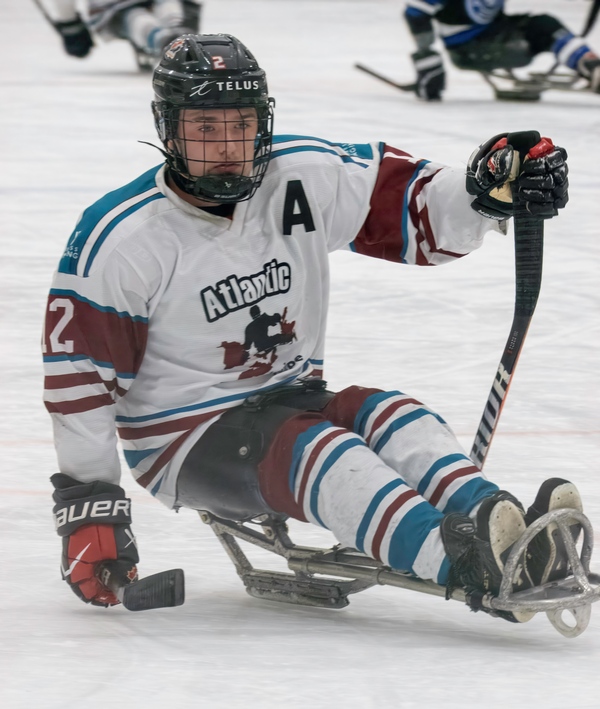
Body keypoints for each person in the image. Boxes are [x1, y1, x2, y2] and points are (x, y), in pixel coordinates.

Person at [43, 33, 582, 622]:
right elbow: (80, 385)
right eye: (205, 128)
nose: (226, 146)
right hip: (184, 438)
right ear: (168, 129)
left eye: (241, 125)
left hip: (290, 398)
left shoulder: (300, 173)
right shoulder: (122, 237)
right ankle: (462, 563)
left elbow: (417, 206)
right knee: (325, 452)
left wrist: (486, 189)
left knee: (394, 414)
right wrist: (90, 510)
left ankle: (500, 524)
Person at [403, 0, 600, 100]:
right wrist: (428, 60)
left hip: (497, 31)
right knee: (544, 27)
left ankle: (590, 65)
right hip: (468, 50)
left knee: (544, 25)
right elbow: (415, 12)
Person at [40, 0, 201, 64]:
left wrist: (70, 25)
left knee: (161, 8)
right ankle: (167, 38)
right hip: (115, 9)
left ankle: (173, 36)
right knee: (135, 17)